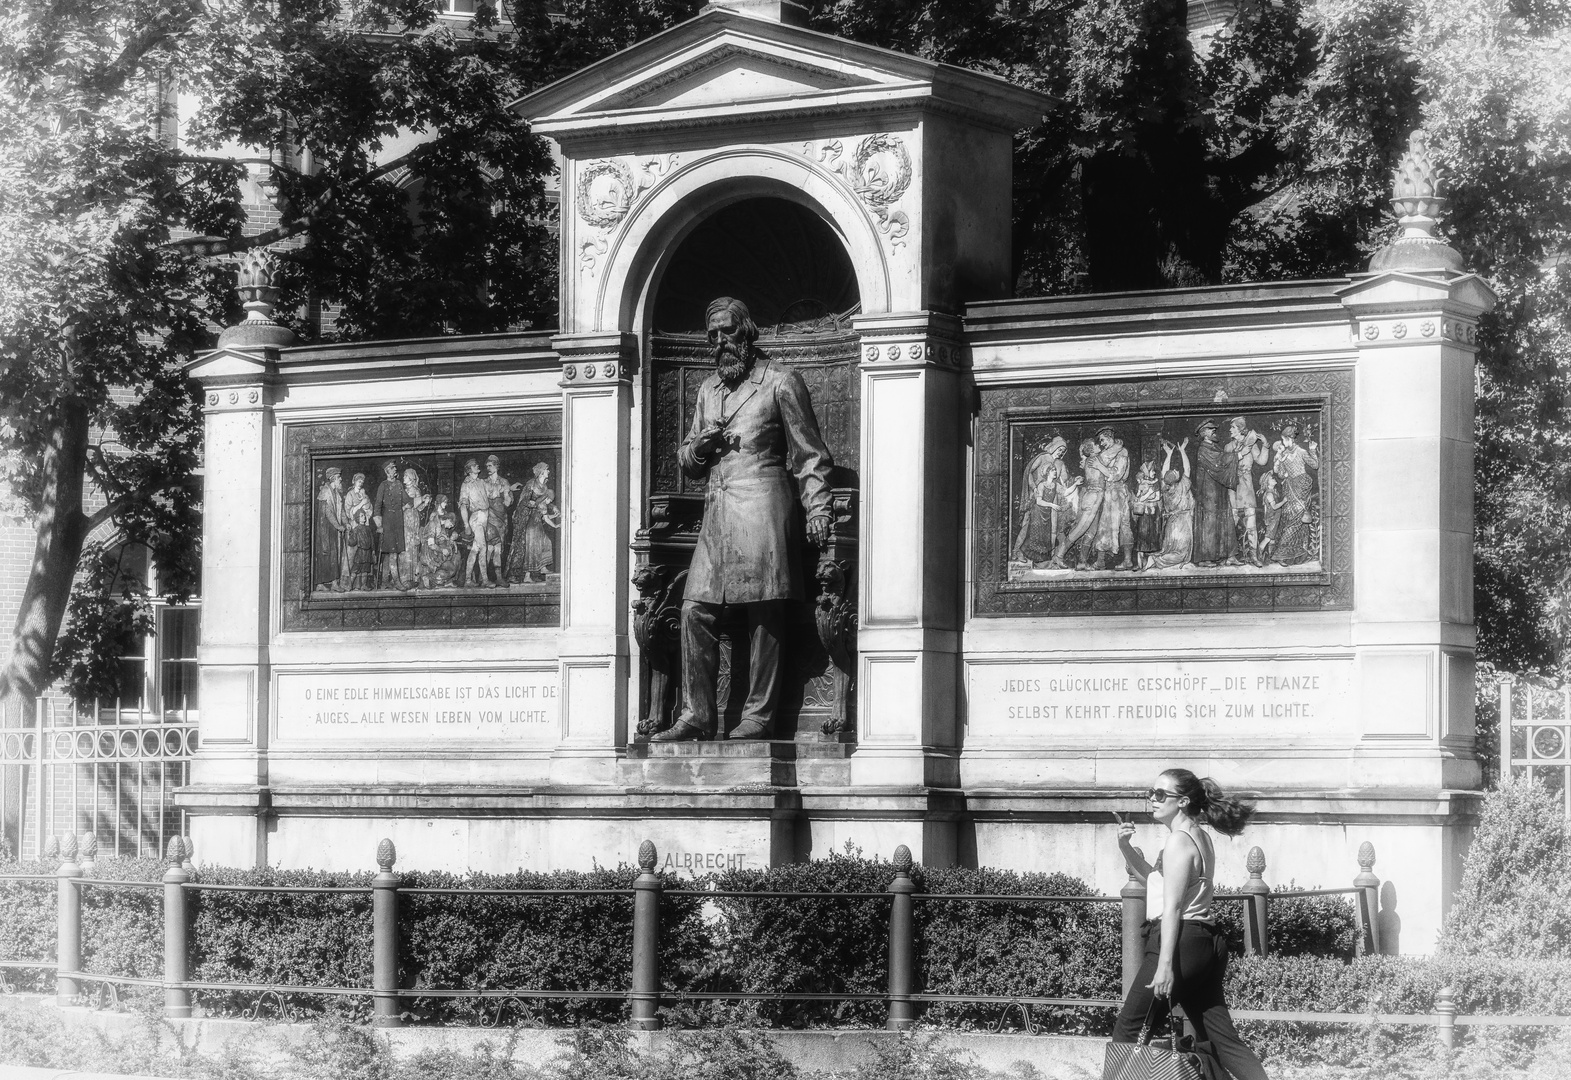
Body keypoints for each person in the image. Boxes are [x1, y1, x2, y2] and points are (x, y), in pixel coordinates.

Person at [652, 296, 834, 742]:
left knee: (764, 610)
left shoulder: (781, 381)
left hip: (764, 505)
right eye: (712, 334)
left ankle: (759, 715)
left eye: (727, 331)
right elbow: (687, 461)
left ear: (747, 332)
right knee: (695, 610)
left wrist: (819, 507)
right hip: (717, 513)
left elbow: (809, 453)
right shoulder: (708, 390)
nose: (719, 342)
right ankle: (697, 714)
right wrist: (701, 447)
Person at [1112, 770, 1270, 1080]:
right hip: (1205, 943)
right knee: (1221, 1040)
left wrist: (1165, 966)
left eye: (1161, 794)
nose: (1152, 800)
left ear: (1183, 801)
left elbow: (1171, 907)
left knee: (1128, 1031)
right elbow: (1158, 884)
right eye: (1151, 792)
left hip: (1180, 942)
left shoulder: (1178, 842)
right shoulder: (1199, 837)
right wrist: (1126, 848)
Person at [1014, 436, 1076, 567]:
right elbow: (1029, 472)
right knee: (1028, 525)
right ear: (1054, 447)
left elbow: (1064, 480)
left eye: (1063, 451)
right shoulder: (1043, 457)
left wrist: (1074, 482)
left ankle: (1052, 555)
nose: (1061, 452)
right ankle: (1017, 551)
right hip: (1038, 495)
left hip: (1053, 496)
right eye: (1060, 449)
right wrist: (1034, 487)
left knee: (1055, 527)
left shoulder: (1060, 464)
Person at [1270, 422, 1320, 565]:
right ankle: (1283, 553)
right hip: (1289, 489)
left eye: (1284, 440)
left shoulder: (1301, 452)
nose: (1283, 442)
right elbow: (1279, 474)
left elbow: (1315, 465)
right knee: (1288, 519)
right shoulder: (1284, 454)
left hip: (1302, 487)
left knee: (1298, 519)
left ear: (1290, 438)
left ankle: (1297, 553)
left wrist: (1312, 450)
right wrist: (1279, 462)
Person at [1143, 437, 1193, 571]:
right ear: (1176, 478)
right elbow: (1187, 468)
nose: (1177, 470)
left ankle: (1157, 558)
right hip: (1182, 522)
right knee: (1181, 553)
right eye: (1176, 472)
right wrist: (1182, 451)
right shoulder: (1182, 486)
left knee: (1170, 548)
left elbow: (1164, 472)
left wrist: (1169, 454)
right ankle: (1156, 560)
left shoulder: (1165, 487)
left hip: (1171, 522)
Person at [1190, 419, 1236, 566]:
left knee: (1224, 520)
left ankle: (1227, 555)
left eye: (1214, 430)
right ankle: (1206, 558)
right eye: (1211, 430)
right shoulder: (1204, 449)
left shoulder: (1214, 447)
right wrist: (1237, 456)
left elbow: (1221, 461)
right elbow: (1219, 463)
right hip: (1208, 494)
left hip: (1218, 492)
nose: (1214, 432)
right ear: (1204, 434)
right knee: (1209, 523)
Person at [1224, 417, 1269, 567]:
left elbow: (1261, 461)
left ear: (1240, 429)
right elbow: (1225, 466)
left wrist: (1266, 446)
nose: (1230, 430)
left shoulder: (1251, 443)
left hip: (1247, 486)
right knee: (1232, 521)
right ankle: (1230, 555)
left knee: (1251, 523)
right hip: (1233, 486)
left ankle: (1253, 556)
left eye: (1233, 427)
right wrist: (1241, 453)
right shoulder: (1228, 446)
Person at [507, 461, 560, 583]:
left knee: (545, 542)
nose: (549, 471)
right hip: (528, 519)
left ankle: (542, 567)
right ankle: (526, 575)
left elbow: (545, 502)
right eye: (547, 469)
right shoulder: (532, 484)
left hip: (537, 519)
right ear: (541, 472)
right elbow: (524, 500)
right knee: (531, 547)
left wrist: (553, 508)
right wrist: (534, 504)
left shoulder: (545, 487)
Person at [372, 459, 411, 590]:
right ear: (387, 471)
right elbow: (377, 506)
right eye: (393, 468)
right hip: (388, 521)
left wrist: (421, 499)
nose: (395, 470)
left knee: (390, 553)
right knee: (392, 552)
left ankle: (384, 582)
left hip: (398, 520)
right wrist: (379, 525)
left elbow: (407, 500)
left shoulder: (399, 484)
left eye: (395, 468)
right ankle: (397, 581)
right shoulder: (383, 485)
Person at [314, 467, 347, 592]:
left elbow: (341, 510)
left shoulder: (337, 493)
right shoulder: (325, 491)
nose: (341, 479)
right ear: (333, 478)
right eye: (339, 477)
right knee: (325, 554)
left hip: (333, 529)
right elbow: (328, 512)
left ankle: (334, 583)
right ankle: (320, 583)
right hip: (325, 529)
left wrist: (346, 522)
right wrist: (338, 526)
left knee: (334, 555)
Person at [343, 472, 376, 591]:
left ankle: (362, 584)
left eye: (362, 481)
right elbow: (348, 511)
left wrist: (366, 504)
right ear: (354, 481)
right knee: (353, 556)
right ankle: (349, 584)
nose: (360, 483)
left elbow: (370, 510)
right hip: (354, 525)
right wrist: (360, 505)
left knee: (365, 559)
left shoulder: (364, 494)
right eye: (358, 481)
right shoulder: (350, 494)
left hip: (364, 524)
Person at [1131, 459, 1162, 569]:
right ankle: (1140, 558)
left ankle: (1150, 558)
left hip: (1152, 514)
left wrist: (1147, 496)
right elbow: (1139, 497)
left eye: (1154, 471)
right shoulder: (1141, 483)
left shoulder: (1155, 483)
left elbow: (1157, 497)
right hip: (1143, 513)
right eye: (1152, 471)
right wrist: (1149, 495)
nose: (1154, 473)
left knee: (1152, 534)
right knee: (1142, 533)